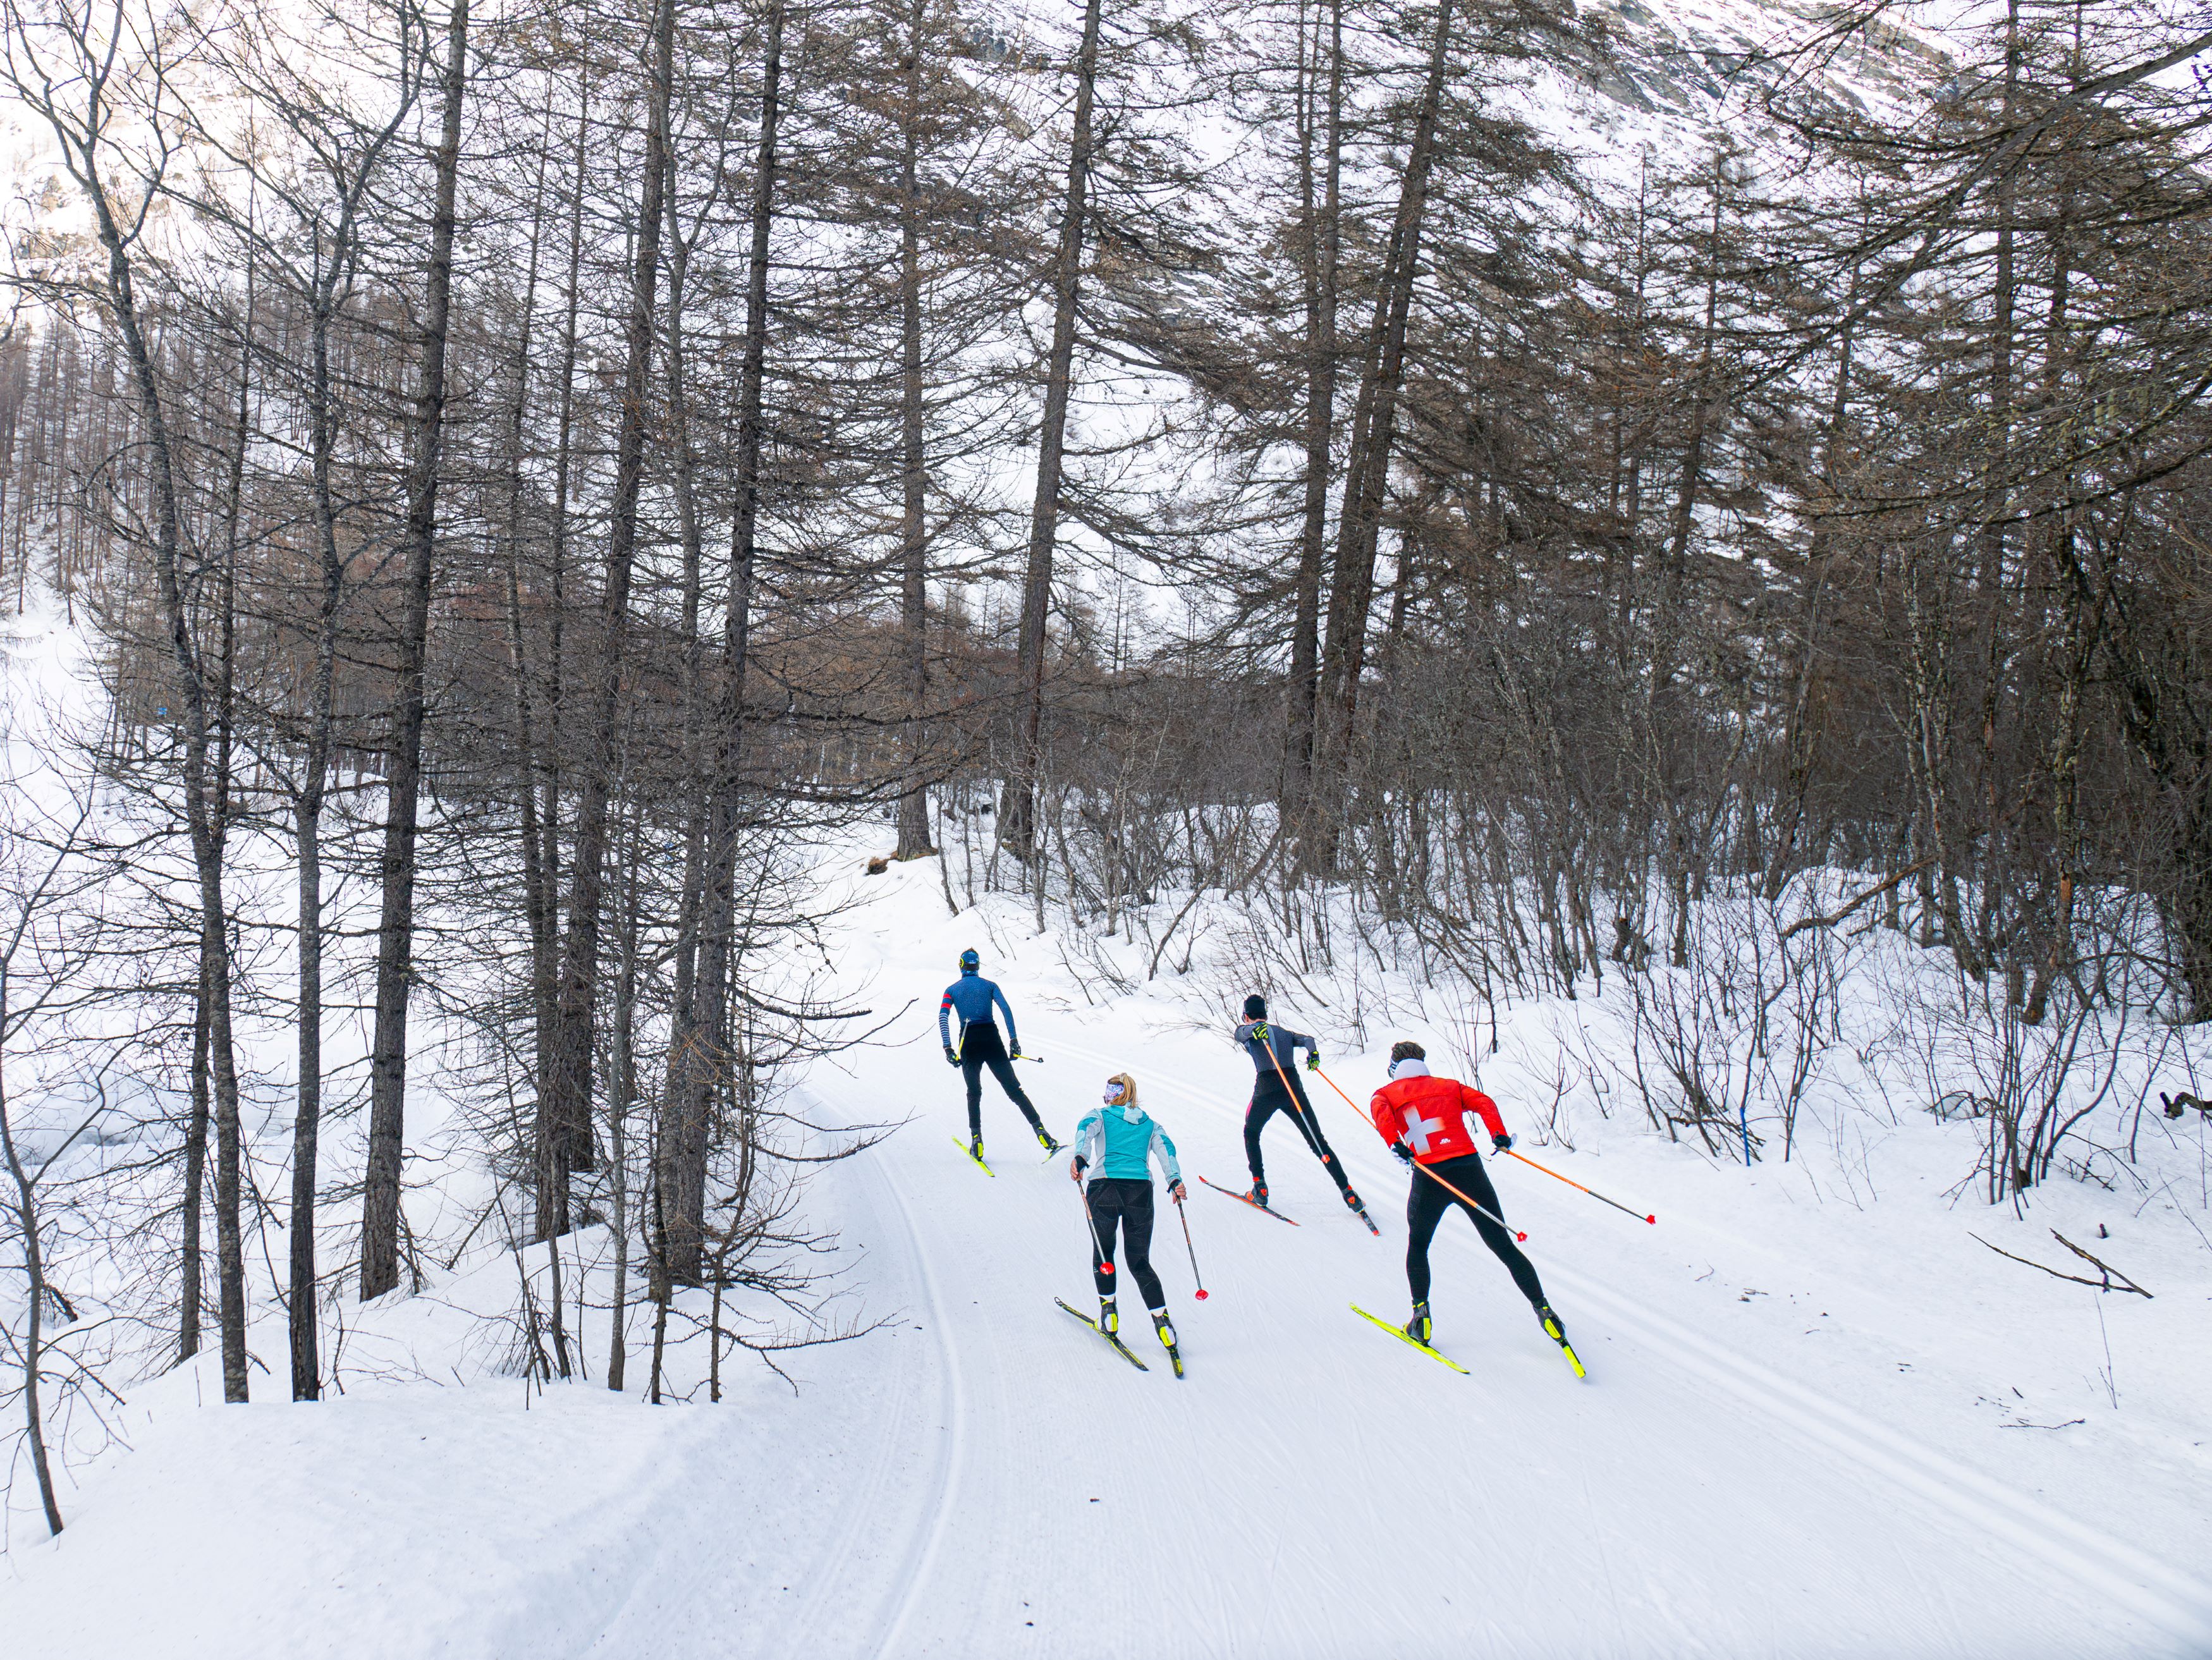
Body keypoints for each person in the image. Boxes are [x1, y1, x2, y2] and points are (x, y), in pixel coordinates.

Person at [1366, 1039, 1568, 1352]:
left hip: (1430, 1174)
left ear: (1394, 1066)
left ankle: (1421, 1318)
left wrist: (1396, 1145)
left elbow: (1382, 1118)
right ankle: (1545, 1311)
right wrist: (1498, 1134)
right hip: (1469, 1169)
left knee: (1419, 1245)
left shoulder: (1385, 1094)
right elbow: (1484, 1102)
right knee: (1503, 1245)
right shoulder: (1449, 1086)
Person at [1070, 1071, 1184, 1359]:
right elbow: (1166, 1150)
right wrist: (1174, 1180)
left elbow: (1085, 1131)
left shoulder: (1099, 1114)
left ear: (1111, 1093)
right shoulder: (1151, 1124)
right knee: (1139, 1262)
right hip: (1140, 1192)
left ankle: (1109, 1315)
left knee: (1104, 1254)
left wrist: (1080, 1159)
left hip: (1103, 1188)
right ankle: (1163, 1324)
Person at [1233, 993, 1362, 1218]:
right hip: (1292, 1087)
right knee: (1317, 1141)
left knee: (1251, 1132)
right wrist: (1313, 1054)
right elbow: (1308, 1040)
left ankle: (1259, 1187)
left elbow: (1240, 1033)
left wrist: (1253, 1030)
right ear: (1266, 1014)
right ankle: (1348, 1192)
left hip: (1267, 1087)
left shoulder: (1248, 1031)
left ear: (1246, 1016)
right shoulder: (1283, 1032)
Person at [940, 948, 1060, 1158]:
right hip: (991, 1039)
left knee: (974, 1093)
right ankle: (1042, 1133)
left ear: (961, 965)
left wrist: (948, 1048)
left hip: (968, 1040)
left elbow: (943, 1017)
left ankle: (976, 1140)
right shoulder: (990, 986)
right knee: (1015, 1091)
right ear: (977, 966)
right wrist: (1013, 1041)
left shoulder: (951, 990)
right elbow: (1006, 1009)